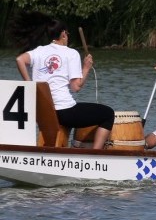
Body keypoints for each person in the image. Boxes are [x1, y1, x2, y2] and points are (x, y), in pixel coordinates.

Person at [14, 13, 115, 149]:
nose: (67, 36)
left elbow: (19, 59)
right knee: (108, 114)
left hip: (43, 112)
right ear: (62, 34)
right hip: (64, 112)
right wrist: (86, 68)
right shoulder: (71, 53)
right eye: (67, 33)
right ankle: (96, 154)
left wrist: (29, 84)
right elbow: (76, 87)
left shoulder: (38, 51)